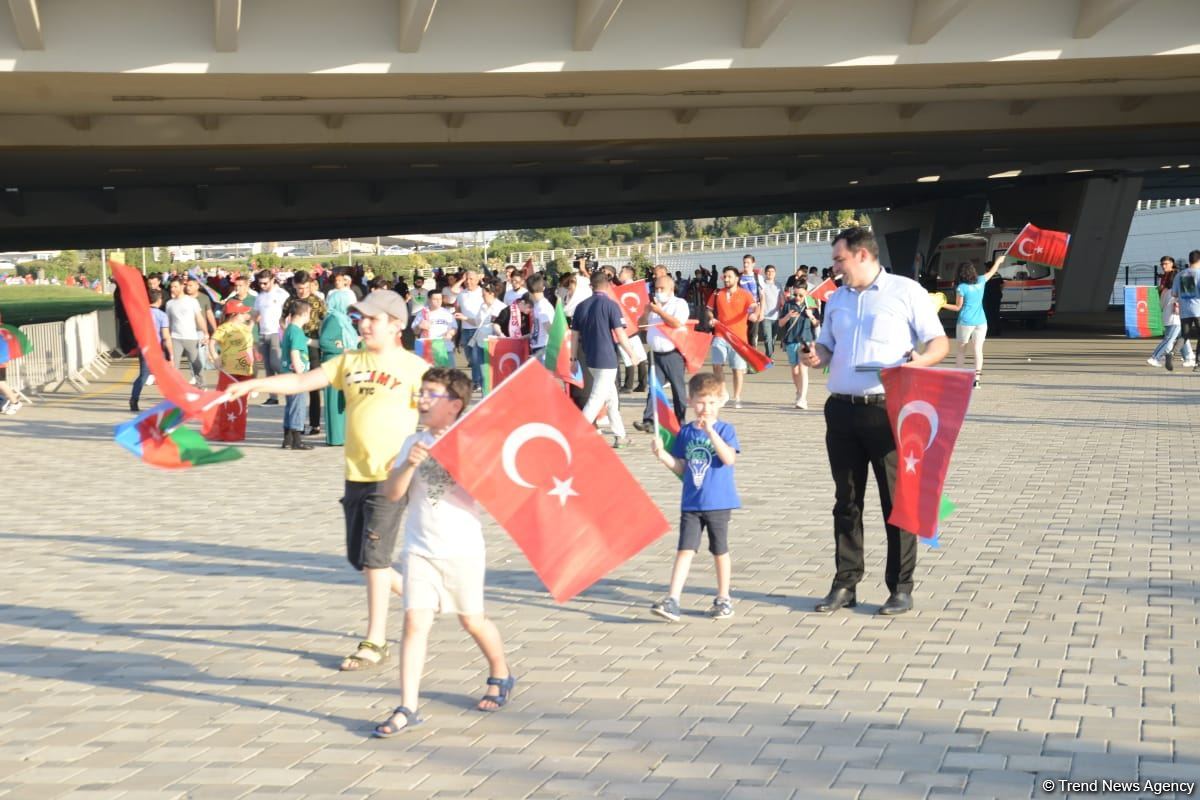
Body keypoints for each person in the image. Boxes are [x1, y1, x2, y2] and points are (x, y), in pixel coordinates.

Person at [225, 290, 427, 670]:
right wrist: (254, 385)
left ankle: (375, 640)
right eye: (360, 318)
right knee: (362, 560)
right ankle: (424, 597)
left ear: (396, 325)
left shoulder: (416, 368)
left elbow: (442, 417)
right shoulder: (349, 362)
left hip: (392, 476)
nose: (363, 324)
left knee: (375, 559)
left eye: (373, 319)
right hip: (356, 475)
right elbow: (301, 382)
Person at [802, 227, 949, 617]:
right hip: (841, 410)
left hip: (889, 411)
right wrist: (816, 355)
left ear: (863, 256)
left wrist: (919, 363)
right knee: (846, 501)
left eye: (839, 260)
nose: (834, 268)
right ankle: (845, 583)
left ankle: (900, 587)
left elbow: (938, 343)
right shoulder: (837, 300)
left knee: (896, 502)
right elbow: (827, 345)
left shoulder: (906, 292)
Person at [372, 368, 515, 737]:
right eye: (420, 392)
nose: (421, 400)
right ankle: (407, 706)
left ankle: (500, 670)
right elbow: (392, 493)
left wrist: (466, 459)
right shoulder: (412, 442)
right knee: (414, 622)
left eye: (431, 394)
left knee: (472, 620)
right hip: (419, 549)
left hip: (463, 550)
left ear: (454, 405)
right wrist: (409, 464)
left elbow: (492, 490)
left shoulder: (471, 441)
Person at [649, 372, 740, 622]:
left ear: (721, 401)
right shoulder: (686, 432)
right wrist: (663, 456)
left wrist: (711, 433)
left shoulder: (725, 429)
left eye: (711, 402)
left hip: (718, 502)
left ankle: (723, 598)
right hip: (691, 502)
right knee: (684, 550)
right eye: (701, 401)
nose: (706, 408)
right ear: (690, 401)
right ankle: (673, 599)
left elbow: (729, 458)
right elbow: (682, 468)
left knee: (719, 550)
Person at [571, 270, 641, 449]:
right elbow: (620, 333)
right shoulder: (610, 305)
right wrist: (632, 353)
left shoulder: (581, 306)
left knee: (612, 399)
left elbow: (574, 335)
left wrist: (572, 358)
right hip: (607, 358)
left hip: (589, 357)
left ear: (591, 286)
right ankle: (575, 435)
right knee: (596, 399)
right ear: (608, 285)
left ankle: (620, 436)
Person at [634, 273, 690, 433]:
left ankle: (681, 421)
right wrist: (646, 312)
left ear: (671, 289)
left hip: (673, 353)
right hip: (655, 354)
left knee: (677, 389)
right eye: (656, 288)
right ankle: (649, 420)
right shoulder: (653, 306)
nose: (658, 291)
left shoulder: (679, 304)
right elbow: (641, 326)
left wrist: (659, 312)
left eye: (662, 288)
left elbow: (676, 323)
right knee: (654, 387)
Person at [941, 257, 1004, 387]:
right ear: (973, 271)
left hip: (965, 321)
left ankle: (958, 379)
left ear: (960, 274)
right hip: (981, 321)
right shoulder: (981, 280)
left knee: (961, 351)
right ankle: (977, 380)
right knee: (978, 350)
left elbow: (957, 307)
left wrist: (942, 304)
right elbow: (992, 272)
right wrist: (998, 261)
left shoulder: (961, 288)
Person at [283, 271, 328, 436]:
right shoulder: (291, 300)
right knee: (296, 382)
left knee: (313, 385)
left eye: (304, 288)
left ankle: (315, 424)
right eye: (298, 288)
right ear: (294, 285)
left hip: (313, 345)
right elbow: (282, 318)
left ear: (310, 284)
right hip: (296, 344)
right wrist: (285, 330)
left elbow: (326, 320)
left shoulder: (317, 301)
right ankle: (296, 424)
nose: (301, 291)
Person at [705, 266, 756, 408]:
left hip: (738, 338)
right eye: (725, 277)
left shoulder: (745, 294)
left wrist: (756, 310)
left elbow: (753, 308)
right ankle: (722, 393)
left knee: (737, 369)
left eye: (729, 277)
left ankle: (737, 397)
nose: (726, 279)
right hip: (720, 334)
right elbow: (709, 310)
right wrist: (711, 318)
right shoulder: (717, 293)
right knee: (716, 365)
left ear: (736, 278)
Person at [206, 299, 255, 441]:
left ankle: (238, 431)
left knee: (243, 402)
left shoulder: (245, 327)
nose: (246, 314)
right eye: (243, 312)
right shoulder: (224, 328)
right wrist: (215, 357)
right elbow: (212, 342)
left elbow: (249, 345)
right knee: (227, 402)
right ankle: (225, 431)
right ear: (234, 314)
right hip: (230, 369)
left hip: (246, 369)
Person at [319, 288, 359, 445]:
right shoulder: (334, 319)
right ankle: (336, 437)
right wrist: (342, 348)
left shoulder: (343, 319)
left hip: (344, 363)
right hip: (334, 364)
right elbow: (325, 341)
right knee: (335, 402)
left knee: (342, 402)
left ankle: (342, 435)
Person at [130, 289, 172, 413]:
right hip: (157, 348)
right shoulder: (162, 315)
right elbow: (165, 336)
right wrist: (170, 353)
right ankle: (170, 400)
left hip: (144, 347)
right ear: (159, 300)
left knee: (143, 375)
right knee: (165, 375)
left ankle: (134, 399)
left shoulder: (140, 313)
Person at [778, 283, 820, 409]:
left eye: (800, 295)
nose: (797, 297)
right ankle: (799, 391)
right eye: (795, 294)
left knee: (803, 369)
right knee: (795, 371)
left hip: (806, 340)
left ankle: (803, 398)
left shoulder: (811, 305)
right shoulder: (788, 304)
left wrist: (811, 316)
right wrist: (788, 316)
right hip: (791, 340)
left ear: (806, 293)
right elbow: (780, 324)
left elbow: (817, 324)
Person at [252, 270, 290, 405]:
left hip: (277, 332)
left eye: (265, 283)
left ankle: (290, 385)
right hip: (263, 333)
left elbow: (289, 313)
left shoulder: (282, 294)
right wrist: (251, 325)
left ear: (273, 280)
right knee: (268, 367)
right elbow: (255, 313)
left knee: (276, 363)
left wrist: (286, 330)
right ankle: (273, 397)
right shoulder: (260, 296)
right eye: (260, 283)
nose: (262, 286)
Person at [281, 299, 314, 451]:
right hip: (296, 375)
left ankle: (287, 439)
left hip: (287, 373)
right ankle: (296, 440)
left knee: (290, 406)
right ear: (305, 313)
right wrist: (300, 373)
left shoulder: (290, 329)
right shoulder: (297, 331)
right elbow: (295, 352)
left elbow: (309, 342)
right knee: (298, 406)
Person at [164, 277, 207, 388]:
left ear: (182, 286)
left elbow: (199, 318)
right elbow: (167, 323)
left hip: (191, 337)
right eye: (171, 287)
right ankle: (174, 389)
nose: (173, 289)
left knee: (196, 363)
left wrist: (205, 333)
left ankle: (201, 385)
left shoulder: (192, 301)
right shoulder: (169, 304)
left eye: (175, 286)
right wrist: (166, 338)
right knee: (174, 365)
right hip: (175, 338)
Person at [1148, 279, 1195, 370]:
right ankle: (1154, 357)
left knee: (1182, 337)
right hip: (1175, 319)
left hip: (1166, 318)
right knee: (1169, 339)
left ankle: (1188, 358)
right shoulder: (1178, 292)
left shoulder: (1165, 292)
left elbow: (1161, 305)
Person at [452, 269, 485, 391]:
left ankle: (477, 381)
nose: (468, 282)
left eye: (471, 279)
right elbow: (458, 309)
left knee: (476, 357)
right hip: (465, 329)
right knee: (470, 357)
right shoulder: (461, 294)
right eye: (467, 279)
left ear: (477, 280)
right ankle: (478, 380)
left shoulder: (483, 292)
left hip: (479, 329)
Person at [412, 291, 457, 365]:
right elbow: (415, 331)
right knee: (429, 375)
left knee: (450, 374)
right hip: (428, 350)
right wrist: (419, 326)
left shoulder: (447, 313)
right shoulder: (422, 313)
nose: (438, 301)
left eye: (440, 299)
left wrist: (450, 333)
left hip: (445, 348)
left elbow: (454, 328)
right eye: (435, 299)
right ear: (429, 299)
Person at [1172, 250, 1200, 369]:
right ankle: (1198, 363)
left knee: (1185, 334)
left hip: (1184, 311)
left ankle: (1171, 353)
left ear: (1189, 260)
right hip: (1199, 309)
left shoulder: (1179, 275)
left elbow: (1174, 294)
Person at [757, 264, 783, 360]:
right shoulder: (762, 284)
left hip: (776, 315)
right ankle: (768, 357)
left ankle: (769, 354)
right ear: (765, 273)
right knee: (767, 337)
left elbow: (782, 298)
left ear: (775, 273)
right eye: (768, 272)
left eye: (772, 272)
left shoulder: (778, 285)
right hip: (765, 316)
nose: (770, 273)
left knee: (773, 338)